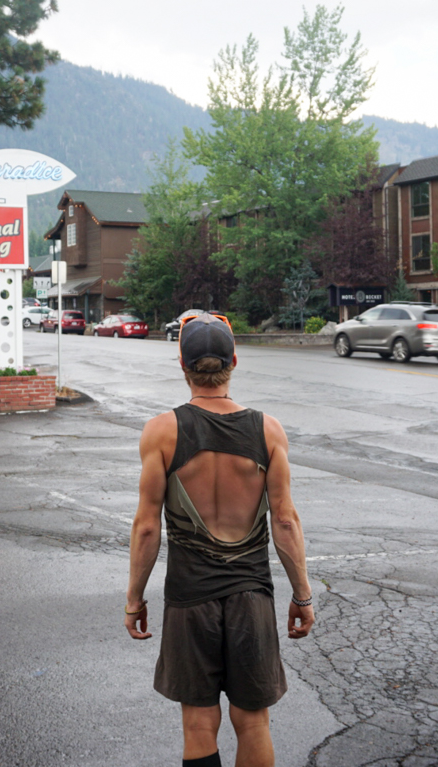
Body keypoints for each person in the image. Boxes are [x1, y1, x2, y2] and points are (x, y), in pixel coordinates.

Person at [125, 312, 315, 767]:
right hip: (251, 595)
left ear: (182, 364)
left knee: (198, 723)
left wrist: (134, 599)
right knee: (252, 722)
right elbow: (285, 522)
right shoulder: (268, 430)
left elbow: (147, 525)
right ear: (233, 360)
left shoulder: (163, 431)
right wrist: (303, 596)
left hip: (190, 598)